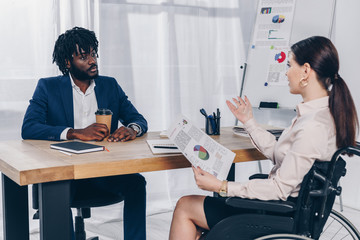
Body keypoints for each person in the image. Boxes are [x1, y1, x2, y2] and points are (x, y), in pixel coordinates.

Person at [168, 36, 358, 240]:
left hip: (279, 215)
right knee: (192, 223)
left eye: (289, 65)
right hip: (281, 209)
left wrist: (222, 187)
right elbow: (280, 155)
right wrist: (249, 121)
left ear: (305, 71)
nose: (285, 72)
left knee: (185, 207)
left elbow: (279, 188)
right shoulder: (318, 115)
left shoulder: (313, 125)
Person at [22, 27, 148, 240]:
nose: (92, 61)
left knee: (136, 183)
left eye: (93, 54)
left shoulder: (109, 85)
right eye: (84, 56)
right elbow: (29, 127)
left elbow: (138, 120)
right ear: (67, 62)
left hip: (103, 172)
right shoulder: (48, 87)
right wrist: (74, 133)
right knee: (55, 191)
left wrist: (131, 129)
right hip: (66, 174)